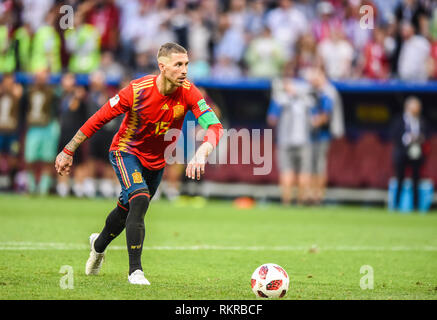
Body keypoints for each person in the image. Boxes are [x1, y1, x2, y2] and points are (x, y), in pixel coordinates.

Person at [54, 42, 223, 285]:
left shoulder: (189, 91)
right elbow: (98, 119)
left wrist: (202, 151)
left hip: (156, 163)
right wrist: (68, 150)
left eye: (186, 64)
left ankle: (98, 245)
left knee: (127, 210)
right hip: (126, 152)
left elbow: (215, 126)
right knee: (140, 199)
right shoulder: (137, 90)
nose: (184, 70)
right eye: (178, 65)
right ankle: (136, 271)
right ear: (162, 67)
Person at [267, 76, 313, 206]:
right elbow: (315, 119)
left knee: (287, 170)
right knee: (303, 171)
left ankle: (286, 202)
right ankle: (301, 202)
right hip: (303, 140)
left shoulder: (280, 99)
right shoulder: (306, 100)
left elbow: (272, 119)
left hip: (285, 140)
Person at [390, 96, 429, 211]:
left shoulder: (421, 121)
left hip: (416, 153)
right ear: (408, 107)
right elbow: (394, 135)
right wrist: (407, 138)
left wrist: (419, 138)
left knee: (416, 180)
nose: (417, 109)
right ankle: (396, 205)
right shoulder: (399, 120)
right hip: (402, 153)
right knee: (400, 179)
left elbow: (426, 134)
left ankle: (416, 207)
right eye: (415, 106)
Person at [25, 69, 59, 195]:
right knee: (30, 159)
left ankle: (43, 188)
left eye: (44, 77)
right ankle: (31, 186)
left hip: (48, 127)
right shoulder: (28, 92)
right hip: (33, 127)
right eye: (39, 77)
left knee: (47, 159)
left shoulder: (53, 92)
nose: (41, 79)